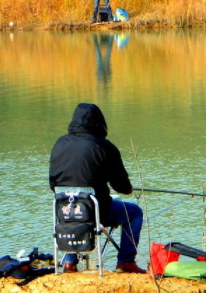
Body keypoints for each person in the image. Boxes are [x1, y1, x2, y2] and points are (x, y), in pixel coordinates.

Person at [49, 103, 146, 274]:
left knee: (77, 211)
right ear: (100, 123)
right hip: (97, 211)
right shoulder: (105, 147)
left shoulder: (59, 144)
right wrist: (129, 188)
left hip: (64, 210)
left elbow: (53, 184)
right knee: (135, 213)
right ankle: (126, 261)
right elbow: (120, 186)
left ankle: (69, 263)